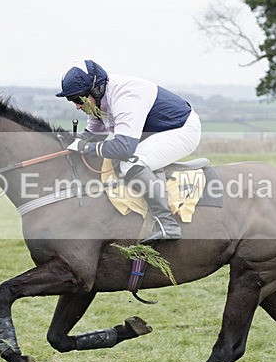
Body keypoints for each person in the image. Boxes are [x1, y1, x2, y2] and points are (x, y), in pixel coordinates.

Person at [56, 59, 201, 242]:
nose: (77, 106)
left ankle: (167, 224)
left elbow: (124, 148)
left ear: (96, 89)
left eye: (78, 99)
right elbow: (94, 133)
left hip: (182, 130)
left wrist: (85, 147)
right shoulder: (98, 101)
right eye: (72, 101)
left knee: (131, 163)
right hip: (157, 131)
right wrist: (72, 144)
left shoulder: (125, 97)